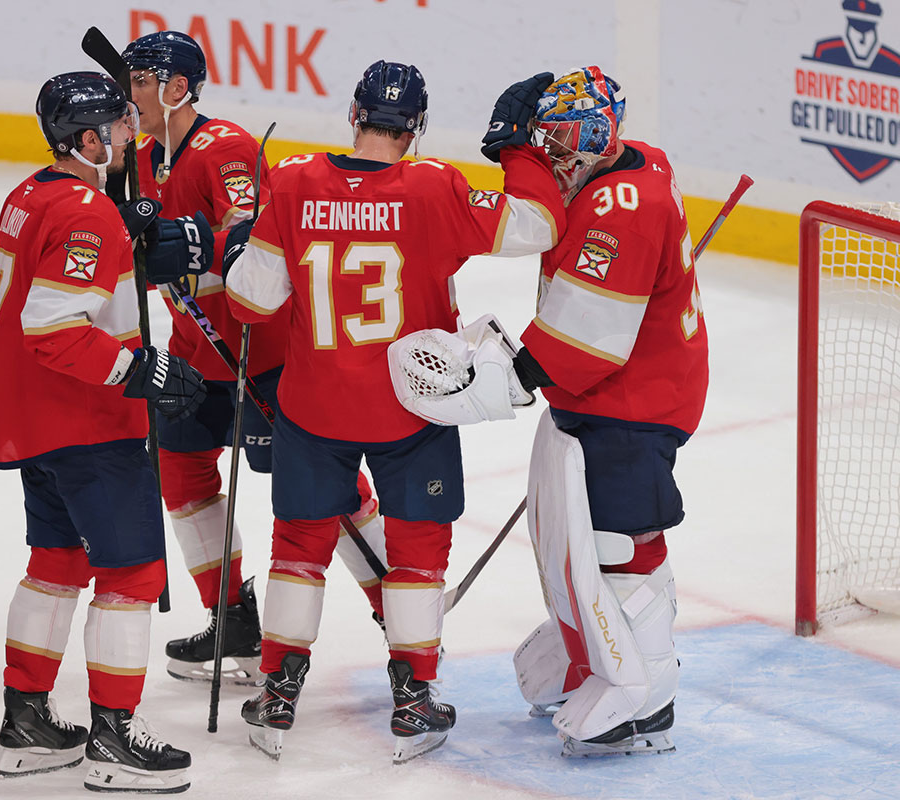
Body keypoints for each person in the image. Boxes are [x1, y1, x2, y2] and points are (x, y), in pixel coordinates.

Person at [225, 60, 564, 762]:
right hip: (412, 407)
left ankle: (278, 692)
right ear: (416, 129)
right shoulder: (435, 188)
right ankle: (413, 696)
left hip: (314, 405)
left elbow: (250, 303)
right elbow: (537, 225)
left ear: (354, 115)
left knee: (299, 545)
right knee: (416, 551)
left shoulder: (291, 181)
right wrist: (519, 150)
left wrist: (240, 246)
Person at [119, 30, 392, 686]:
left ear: (175, 87)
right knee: (182, 474)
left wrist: (189, 245)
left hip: (260, 351)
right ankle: (233, 620)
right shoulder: (144, 156)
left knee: (323, 487)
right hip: (193, 353)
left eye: (137, 82)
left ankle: (397, 607)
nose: (127, 96)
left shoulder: (228, 149)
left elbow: (254, 241)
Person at [0, 70, 209, 793]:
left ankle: (27, 720)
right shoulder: (87, 213)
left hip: (30, 417)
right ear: (87, 139)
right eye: (117, 126)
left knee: (56, 562)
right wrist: (140, 370)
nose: (130, 133)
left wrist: (126, 229)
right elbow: (51, 326)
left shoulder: (32, 193)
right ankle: (113, 735)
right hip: (85, 420)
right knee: (132, 572)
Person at [490, 67, 707, 757]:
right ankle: (592, 651)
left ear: (598, 141)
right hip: (611, 388)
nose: (549, 152)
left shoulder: (624, 206)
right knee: (578, 535)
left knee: (621, 538)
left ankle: (650, 690)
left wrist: (507, 377)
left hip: (635, 399)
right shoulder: (615, 168)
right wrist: (519, 153)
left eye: (559, 140)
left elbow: (585, 341)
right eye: (543, 137)